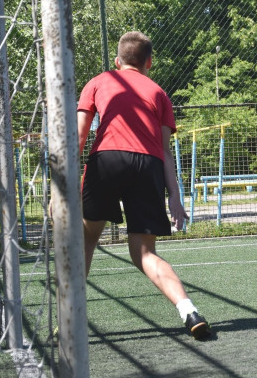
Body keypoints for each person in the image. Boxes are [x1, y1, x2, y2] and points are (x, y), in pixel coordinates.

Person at [76, 31, 211, 339]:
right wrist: (175, 195)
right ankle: (189, 311)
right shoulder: (160, 93)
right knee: (144, 253)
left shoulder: (98, 82)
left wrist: (64, 183)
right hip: (148, 165)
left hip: (107, 159)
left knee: (85, 240)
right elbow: (165, 152)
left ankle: (71, 319)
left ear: (117, 61)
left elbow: (80, 135)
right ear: (149, 62)